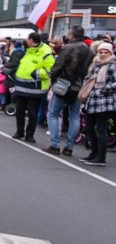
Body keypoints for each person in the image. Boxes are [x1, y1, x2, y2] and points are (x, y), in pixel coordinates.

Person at [46, 26, 93, 156]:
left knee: (53, 113)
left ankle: (55, 144)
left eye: (68, 33)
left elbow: (57, 67)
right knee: (74, 116)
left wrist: (54, 80)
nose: (67, 34)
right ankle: (69, 147)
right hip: (79, 86)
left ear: (72, 35)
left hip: (64, 84)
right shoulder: (89, 51)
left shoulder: (68, 48)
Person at [4, 32, 53, 143]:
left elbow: (50, 70)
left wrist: (36, 74)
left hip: (35, 89)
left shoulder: (46, 53)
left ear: (31, 40)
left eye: (27, 39)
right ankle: (19, 132)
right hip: (21, 87)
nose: (26, 41)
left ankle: (30, 135)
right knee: (20, 111)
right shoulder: (28, 51)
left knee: (32, 113)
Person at [81, 42, 116, 166]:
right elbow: (89, 78)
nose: (103, 54)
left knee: (101, 129)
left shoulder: (112, 66)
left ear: (111, 53)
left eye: (106, 52)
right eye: (101, 52)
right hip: (92, 100)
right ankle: (93, 153)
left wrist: (103, 89)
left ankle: (101, 157)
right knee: (89, 128)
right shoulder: (95, 65)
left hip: (104, 101)